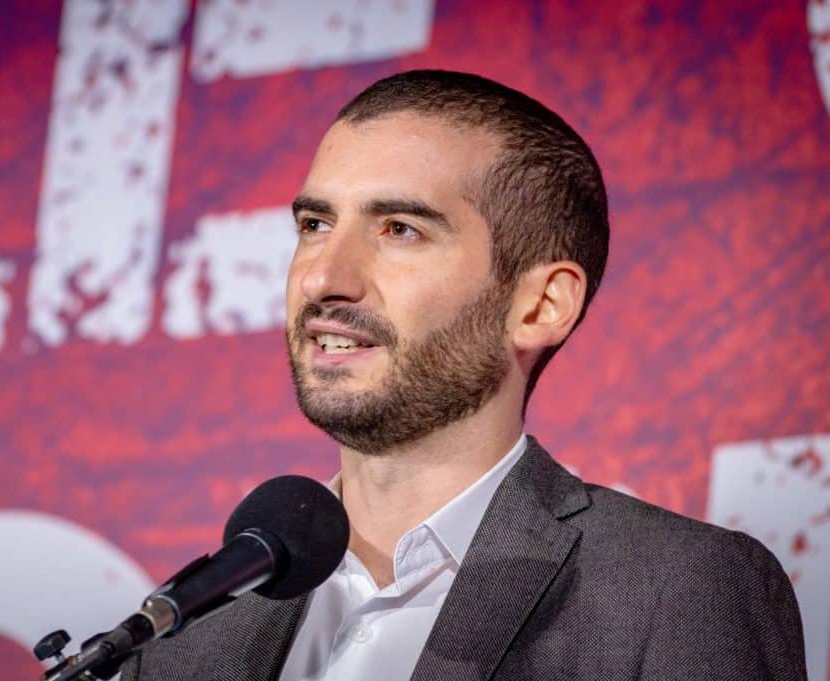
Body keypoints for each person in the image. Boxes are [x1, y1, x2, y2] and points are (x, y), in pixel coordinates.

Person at [122, 70, 807, 681]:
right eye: (315, 223)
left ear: (540, 305)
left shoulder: (676, 589)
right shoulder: (187, 633)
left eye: (400, 229)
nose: (323, 278)